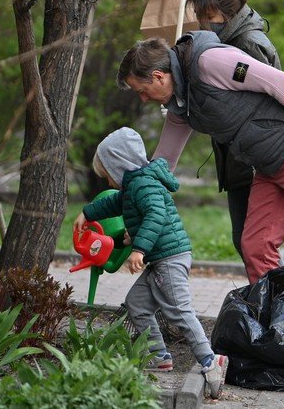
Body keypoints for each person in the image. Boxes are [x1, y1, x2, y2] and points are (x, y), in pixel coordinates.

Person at [116, 32, 284, 388]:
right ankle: (280, 337)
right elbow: (162, 164)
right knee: (255, 246)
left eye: (141, 89)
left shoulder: (210, 63)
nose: (144, 98)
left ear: (158, 76)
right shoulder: (182, 105)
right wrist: (130, 206)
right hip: (268, 165)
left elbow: (277, 81)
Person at [72, 127, 229, 398]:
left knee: (179, 310)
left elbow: (155, 215)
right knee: (137, 304)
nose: (107, 180)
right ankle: (159, 356)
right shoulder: (134, 186)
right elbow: (115, 204)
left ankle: (210, 360)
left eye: (107, 173)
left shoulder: (144, 185)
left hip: (169, 258)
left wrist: (138, 250)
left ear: (118, 165)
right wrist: (87, 213)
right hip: (160, 258)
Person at [187, 0, 284, 261]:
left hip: (255, 158)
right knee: (247, 242)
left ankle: (275, 303)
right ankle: (268, 302)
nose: (205, 25)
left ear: (227, 14)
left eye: (209, 18)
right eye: (200, 18)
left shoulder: (247, 44)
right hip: (239, 158)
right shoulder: (223, 42)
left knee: (253, 244)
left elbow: (274, 94)